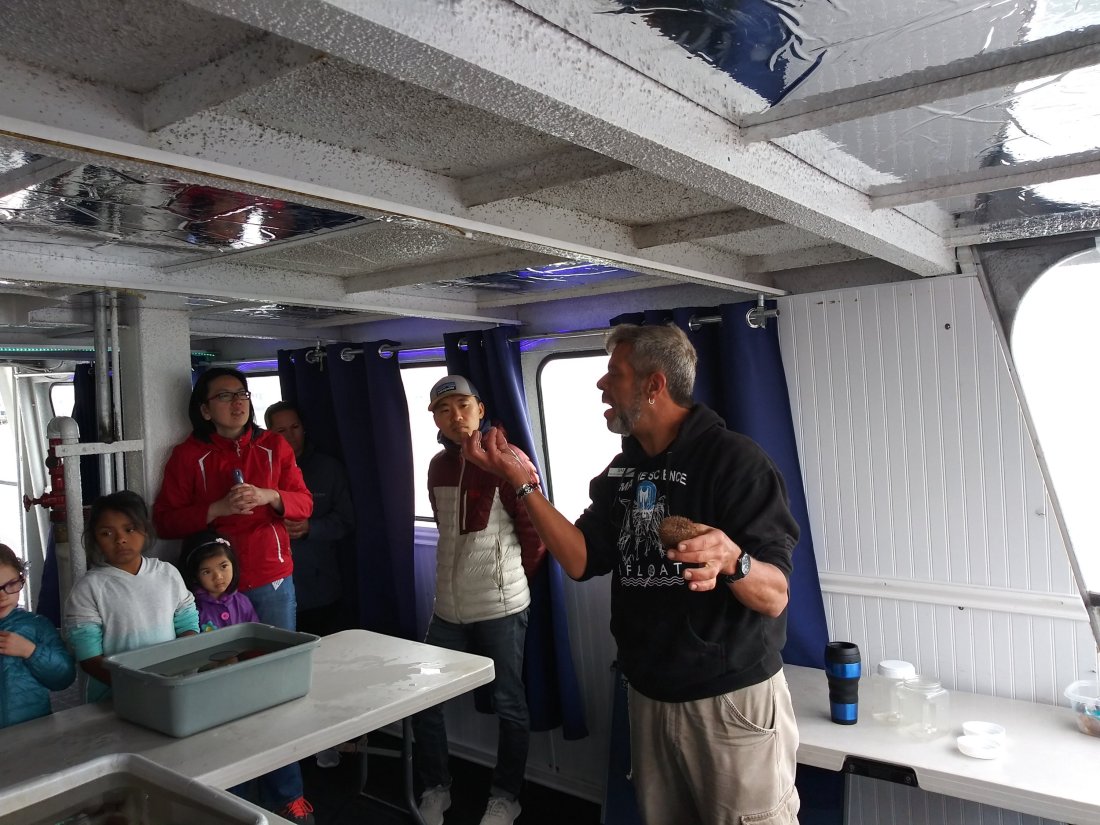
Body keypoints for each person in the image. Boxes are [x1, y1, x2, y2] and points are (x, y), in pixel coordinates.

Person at [464, 324, 802, 825]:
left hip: (729, 701)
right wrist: (521, 482)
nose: (602, 384)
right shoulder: (623, 471)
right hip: (648, 696)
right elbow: (579, 560)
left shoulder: (735, 461)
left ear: (654, 385)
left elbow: (775, 596)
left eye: (614, 374)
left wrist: (735, 560)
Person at [153, 367, 316, 824]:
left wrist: (269, 496)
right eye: (224, 396)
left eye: (242, 393)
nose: (237, 402)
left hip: (271, 581)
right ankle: (233, 797)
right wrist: (217, 508)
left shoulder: (274, 446)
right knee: (219, 690)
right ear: (205, 410)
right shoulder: (189, 455)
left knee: (277, 687)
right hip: (213, 590)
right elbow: (164, 521)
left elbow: (304, 502)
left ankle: (287, 792)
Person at [413, 375, 545, 825]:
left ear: (481, 408)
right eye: (443, 409)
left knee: (509, 703)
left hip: (501, 605)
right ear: (435, 418)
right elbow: (447, 530)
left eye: (463, 405)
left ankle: (506, 796)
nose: (455, 416)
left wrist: (508, 581)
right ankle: (436, 787)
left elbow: (535, 535)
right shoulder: (437, 465)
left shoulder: (509, 460)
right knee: (424, 699)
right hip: (448, 609)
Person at [65, 491, 199, 702]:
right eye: (107, 533)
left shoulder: (167, 574)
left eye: (130, 529)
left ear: (145, 529)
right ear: (95, 538)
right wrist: (138, 686)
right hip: (114, 699)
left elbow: (188, 624)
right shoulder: (87, 589)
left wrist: (173, 674)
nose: (121, 539)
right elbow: (89, 658)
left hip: (171, 691)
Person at [264, 402, 355, 637]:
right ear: (269, 434)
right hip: (272, 586)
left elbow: (346, 520)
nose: (290, 435)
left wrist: (310, 528)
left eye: (295, 427)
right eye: (281, 430)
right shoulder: (262, 470)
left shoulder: (329, 468)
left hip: (320, 585)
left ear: (304, 428)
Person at [0, 542, 75, 728]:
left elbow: (64, 678)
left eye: (11, 584)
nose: (3, 596)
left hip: (34, 728)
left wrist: (31, 651)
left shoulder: (37, 626)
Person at [179, 530, 259, 632]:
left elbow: (254, 633)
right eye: (207, 572)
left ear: (233, 564)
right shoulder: (192, 608)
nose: (218, 577)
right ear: (195, 576)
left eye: (223, 566)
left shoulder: (243, 602)